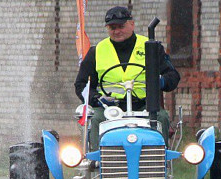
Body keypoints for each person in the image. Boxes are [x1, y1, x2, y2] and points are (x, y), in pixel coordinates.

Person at [74, 6, 180, 151]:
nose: (117, 31)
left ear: (132, 24)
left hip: (144, 107)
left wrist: (160, 81)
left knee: (161, 117)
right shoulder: (97, 51)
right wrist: (96, 98)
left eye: (121, 26)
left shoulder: (151, 47)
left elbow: (173, 76)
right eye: (112, 27)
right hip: (108, 108)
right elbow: (81, 85)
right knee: (95, 119)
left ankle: (159, 164)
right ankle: (98, 162)